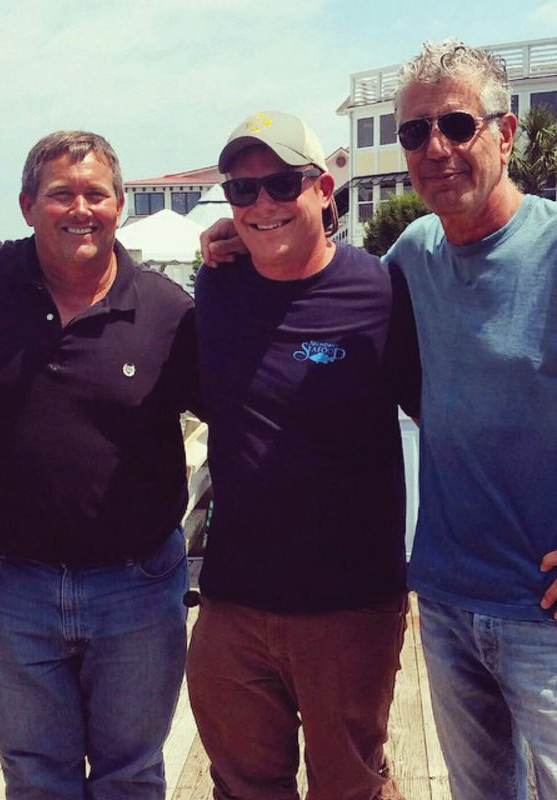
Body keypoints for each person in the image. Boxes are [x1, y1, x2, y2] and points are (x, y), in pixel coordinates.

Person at [0, 130, 198, 799]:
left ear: (119, 205)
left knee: (131, 776)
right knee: (37, 780)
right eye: (60, 193)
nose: (80, 208)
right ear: (26, 204)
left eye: (96, 193)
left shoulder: (167, 310)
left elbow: (243, 413)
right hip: (16, 584)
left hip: (139, 584)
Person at [186, 111, 420, 800]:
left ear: (323, 189)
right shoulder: (218, 284)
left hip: (347, 606)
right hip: (231, 600)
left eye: (282, 184)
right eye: (242, 191)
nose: (261, 205)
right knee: (241, 787)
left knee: (352, 787)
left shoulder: (380, 291)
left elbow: (459, 416)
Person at [383, 40, 557, 799]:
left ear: (507, 132)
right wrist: (237, 246)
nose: (437, 148)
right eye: (416, 132)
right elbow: (320, 298)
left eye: (457, 124)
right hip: (449, 600)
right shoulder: (413, 253)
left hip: (544, 612)